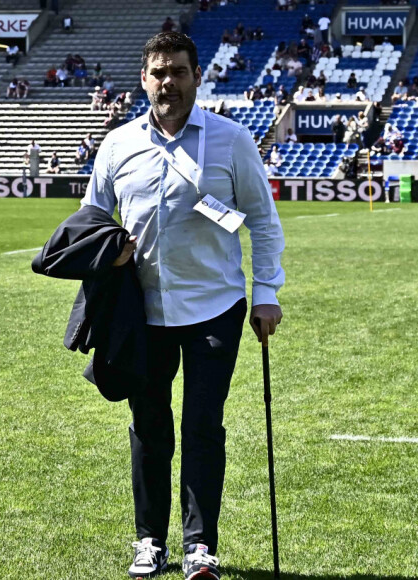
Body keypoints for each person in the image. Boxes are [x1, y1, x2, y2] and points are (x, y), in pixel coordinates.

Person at [80, 31, 284, 580]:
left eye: (178, 71)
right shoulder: (118, 144)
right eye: (158, 72)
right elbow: (90, 218)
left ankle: (201, 548)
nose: (167, 81)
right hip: (142, 311)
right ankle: (150, 539)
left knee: (202, 426)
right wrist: (109, 250)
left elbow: (262, 222)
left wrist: (265, 293)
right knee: (149, 426)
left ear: (197, 76)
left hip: (216, 306)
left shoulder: (231, 140)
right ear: (144, 79)